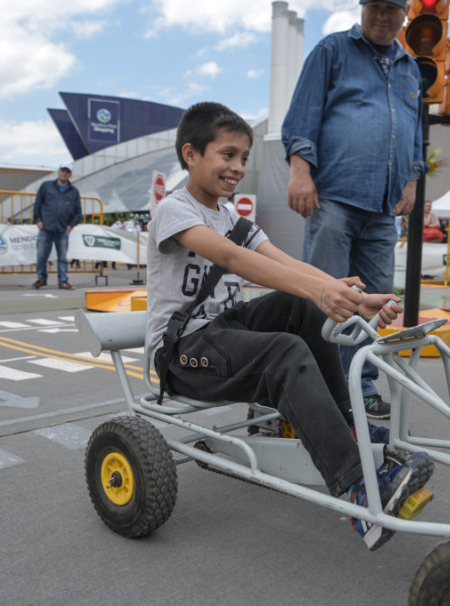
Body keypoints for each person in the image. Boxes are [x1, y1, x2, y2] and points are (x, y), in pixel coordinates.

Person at [147, 102, 433, 550]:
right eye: (227, 155)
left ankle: (347, 428)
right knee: (284, 349)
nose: (237, 167)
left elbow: (288, 264)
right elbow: (233, 259)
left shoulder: (233, 219)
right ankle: (357, 488)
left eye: (243, 157)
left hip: (224, 329)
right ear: (191, 154)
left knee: (304, 309)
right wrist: (321, 291)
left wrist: (354, 301)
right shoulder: (174, 210)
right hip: (183, 351)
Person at [282, 0, 425, 420]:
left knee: (375, 305)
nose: (382, 16)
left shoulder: (410, 69)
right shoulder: (332, 50)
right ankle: (319, 390)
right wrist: (299, 172)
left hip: (383, 209)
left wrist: (413, 178)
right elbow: (302, 115)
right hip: (335, 199)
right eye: (374, 6)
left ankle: (359, 387)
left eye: (391, 8)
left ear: (405, 14)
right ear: (362, 8)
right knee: (326, 300)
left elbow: (413, 130)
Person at [33, 162, 82, 290]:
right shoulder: (46, 186)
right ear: (58, 171)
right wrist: (38, 220)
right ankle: (41, 279)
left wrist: (71, 225)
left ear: (70, 175)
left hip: (62, 230)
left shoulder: (74, 191)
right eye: (63, 170)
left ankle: (63, 280)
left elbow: (78, 213)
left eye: (67, 171)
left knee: (62, 257)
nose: (65, 173)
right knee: (41, 256)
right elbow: (37, 204)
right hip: (46, 228)